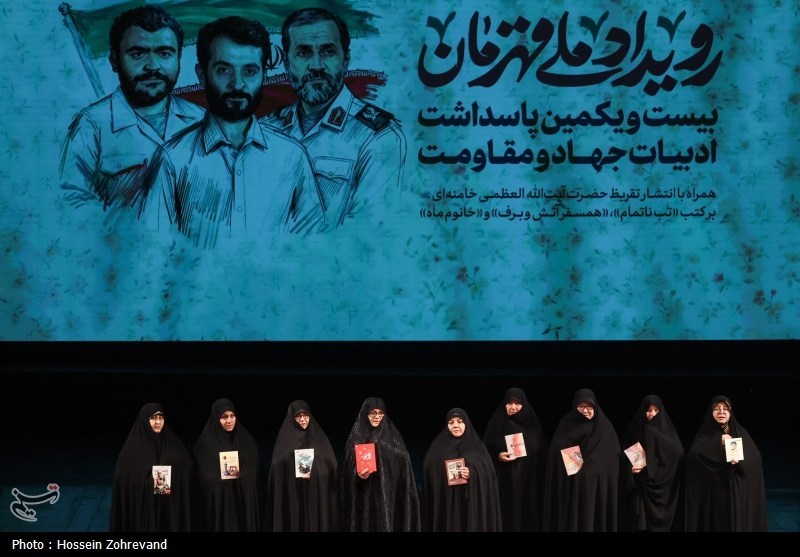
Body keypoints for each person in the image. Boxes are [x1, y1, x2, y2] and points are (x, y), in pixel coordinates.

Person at [144, 16, 325, 247]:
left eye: (249, 71)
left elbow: (314, 250)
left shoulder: (293, 156)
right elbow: (153, 252)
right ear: (202, 75)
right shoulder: (172, 159)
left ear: (264, 75)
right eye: (223, 70)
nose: (237, 84)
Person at [263, 7, 406, 227]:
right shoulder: (265, 130)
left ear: (346, 59)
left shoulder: (379, 137)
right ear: (286, 62)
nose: (316, 65)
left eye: (328, 52)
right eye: (303, 53)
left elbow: (369, 233)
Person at [59, 5, 203, 212]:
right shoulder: (91, 125)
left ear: (178, 59)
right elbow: (70, 205)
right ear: (114, 61)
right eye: (138, 54)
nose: (153, 65)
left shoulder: (201, 120)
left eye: (164, 53)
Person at [542, 388, 621, 532]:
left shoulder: (604, 426)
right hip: (570, 483)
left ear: (595, 407)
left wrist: (590, 469)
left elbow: (611, 456)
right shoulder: (566, 423)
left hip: (596, 486)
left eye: (589, 406)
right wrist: (575, 465)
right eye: (581, 406)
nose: (585, 410)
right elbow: (556, 450)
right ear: (574, 406)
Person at [685, 395, 768, 531]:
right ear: (711, 412)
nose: (721, 412)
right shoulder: (704, 435)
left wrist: (740, 463)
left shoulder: (741, 432)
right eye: (717, 408)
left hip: (736, 492)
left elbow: (755, 461)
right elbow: (694, 457)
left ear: (730, 413)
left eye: (725, 409)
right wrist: (718, 442)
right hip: (715, 495)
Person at [109, 403, 194, 531]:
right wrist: (149, 482)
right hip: (143, 509)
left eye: (161, 418)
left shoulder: (171, 442)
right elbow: (126, 480)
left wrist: (171, 473)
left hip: (167, 505)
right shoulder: (132, 448)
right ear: (145, 420)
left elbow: (185, 465)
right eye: (153, 418)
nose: (158, 422)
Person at [341, 397, 420, 531]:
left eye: (380, 413)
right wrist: (358, 475)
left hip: (388, 499)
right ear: (365, 414)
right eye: (373, 413)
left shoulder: (393, 441)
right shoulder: (355, 440)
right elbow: (346, 473)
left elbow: (403, 462)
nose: (377, 417)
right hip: (365, 498)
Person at [422, 408, 502, 531]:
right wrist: (443, 471)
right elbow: (429, 469)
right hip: (447, 504)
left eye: (459, 421)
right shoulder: (438, 447)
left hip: (471, 505)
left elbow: (489, 474)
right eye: (451, 422)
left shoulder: (478, 448)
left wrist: (472, 472)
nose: (455, 425)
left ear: (466, 423)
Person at [265, 400, 340, 531]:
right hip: (293, 495)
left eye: (306, 415)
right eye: (298, 416)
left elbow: (331, 466)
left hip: (315, 493)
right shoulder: (284, 441)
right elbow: (277, 465)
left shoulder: (319, 439)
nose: (303, 419)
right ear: (291, 418)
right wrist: (291, 466)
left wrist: (315, 470)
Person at [193, 398, 266, 531]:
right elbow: (203, 477)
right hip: (221, 504)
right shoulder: (205, 445)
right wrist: (219, 481)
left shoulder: (246, 441)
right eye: (224, 417)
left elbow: (254, 469)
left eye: (232, 416)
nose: (229, 420)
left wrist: (243, 479)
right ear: (216, 419)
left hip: (242, 502)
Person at [482, 387, 548, 531]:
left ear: (523, 405)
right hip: (504, 483)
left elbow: (542, 456)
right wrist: (497, 456)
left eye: (517, 403)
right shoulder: (496, 426)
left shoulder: (533, 428)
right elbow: (484, 453)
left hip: (529, 485)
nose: (513, 407)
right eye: (509, 403)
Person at [620, 395, 684, 532]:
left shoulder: (669, 435)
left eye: (656, 410)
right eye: (649, 410)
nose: (652, 414)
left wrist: (652, 468)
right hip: (641, 490)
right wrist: (630, 471)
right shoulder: (635, 431)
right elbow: (624, 459)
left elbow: (677, 456)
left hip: (664, 492)